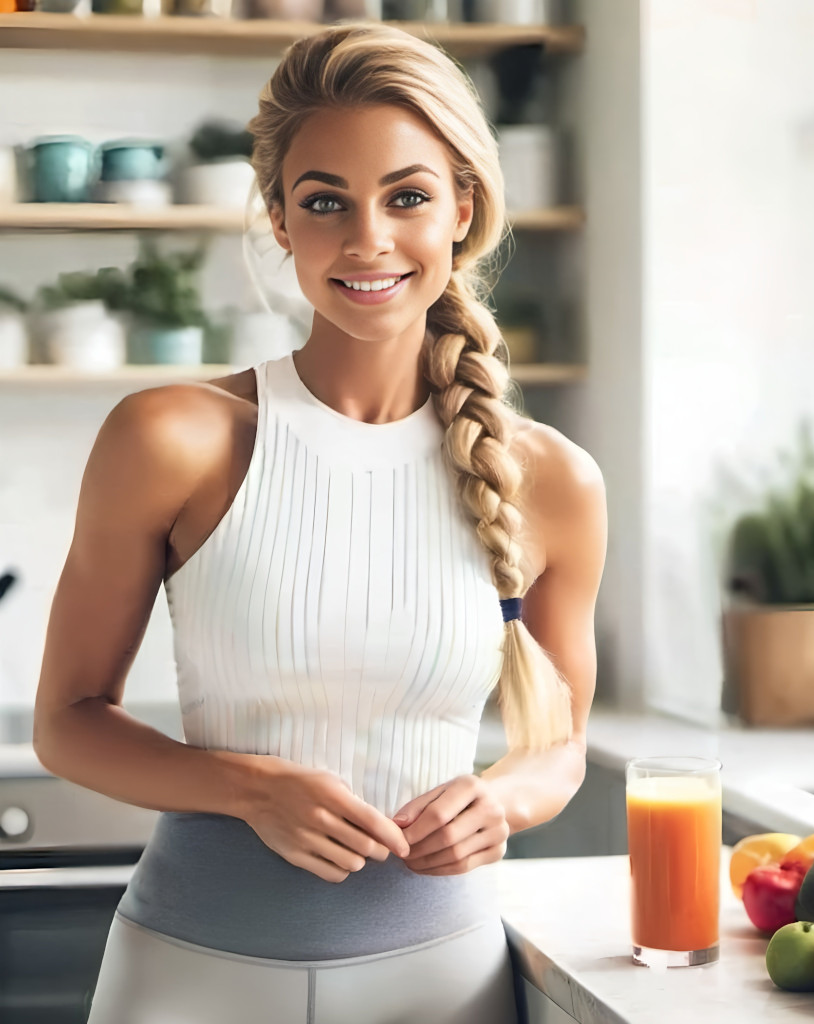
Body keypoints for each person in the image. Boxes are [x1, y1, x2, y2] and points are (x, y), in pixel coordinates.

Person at [32, 21, 607, 1024]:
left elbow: (558, 746)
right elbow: (68, 721)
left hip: (444, 982)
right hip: (187, 977)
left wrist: (501, 799)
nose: (368, 239)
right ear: (280, 219)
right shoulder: (174, 438)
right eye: (325, 201)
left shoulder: (550, 477)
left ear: (462, 208)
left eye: (408, 196)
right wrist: (247, 788)